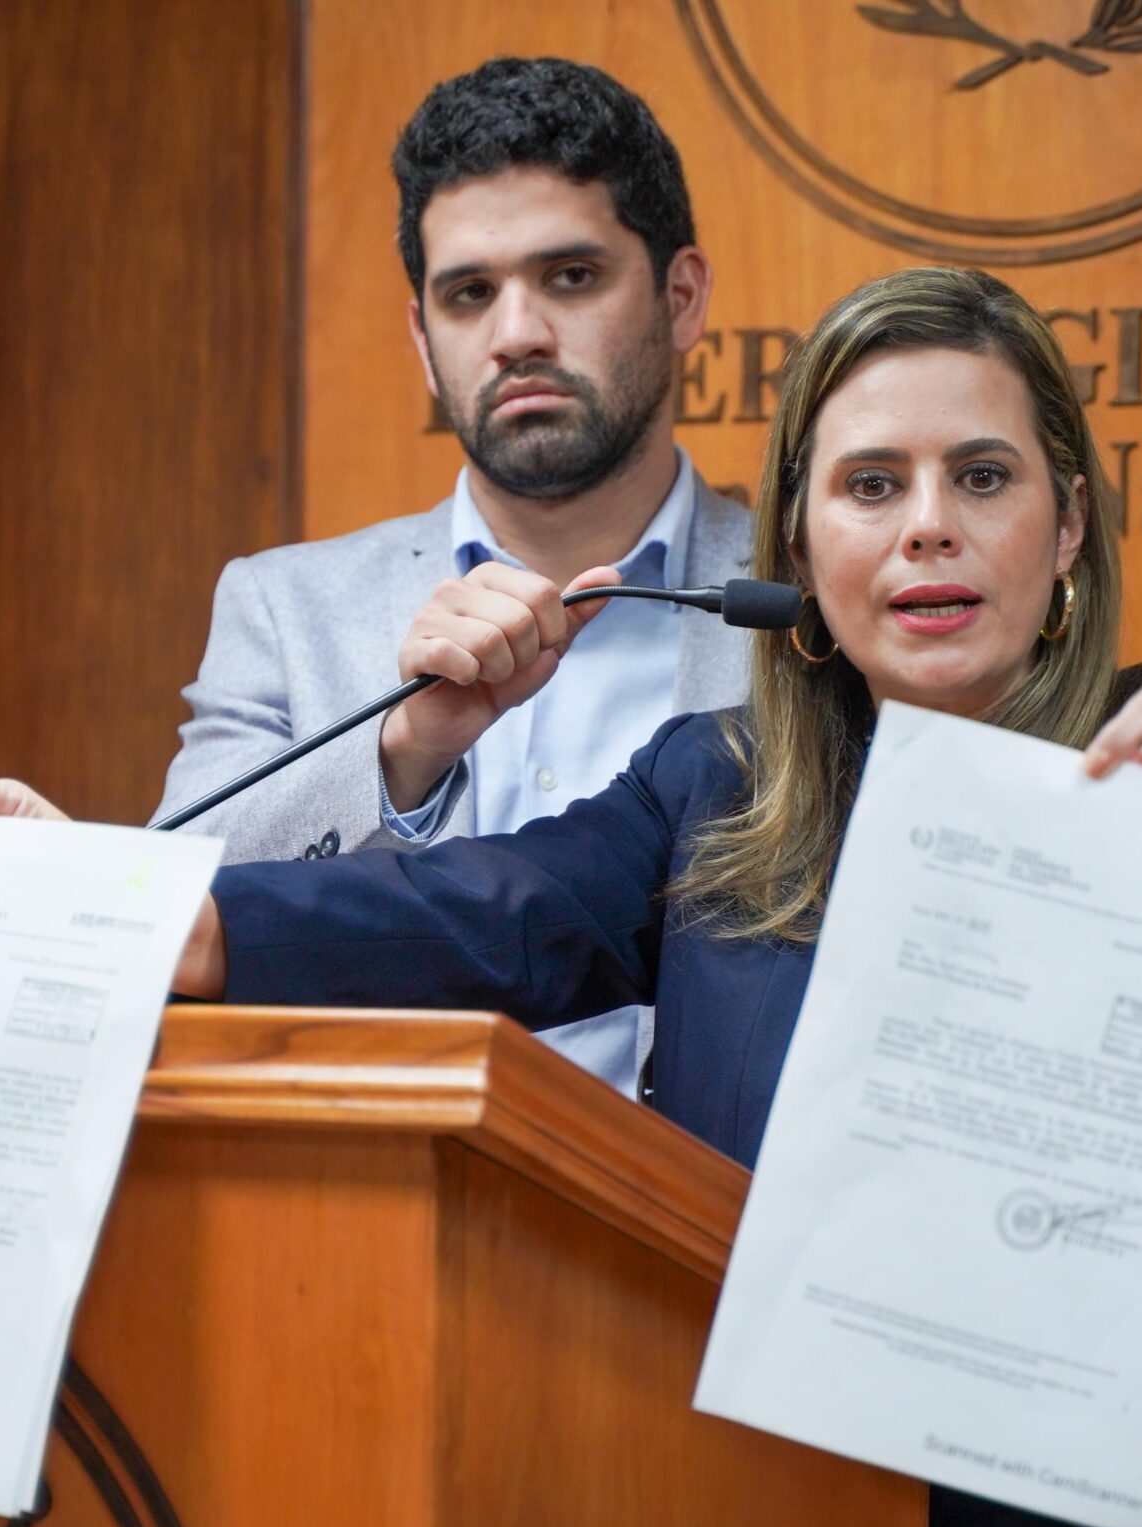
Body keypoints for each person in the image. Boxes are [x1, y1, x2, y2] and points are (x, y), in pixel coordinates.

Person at [0, 267, 1142, 1527]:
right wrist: (77, 879)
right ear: (802, 547)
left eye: (980, 474)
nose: (926, 519)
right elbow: (441, 918)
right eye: (871, 482)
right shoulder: (704, 790)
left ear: (1064, 524)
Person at [154, 57, 753, 1097]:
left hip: (708, 1228)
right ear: (425, 345)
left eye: (570, 277)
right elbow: (182, 916)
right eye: (468, 294)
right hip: (367, 1224)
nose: (516, 333)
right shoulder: (285, 609)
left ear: (681, 297)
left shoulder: (806, 602)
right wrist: (400, 756)